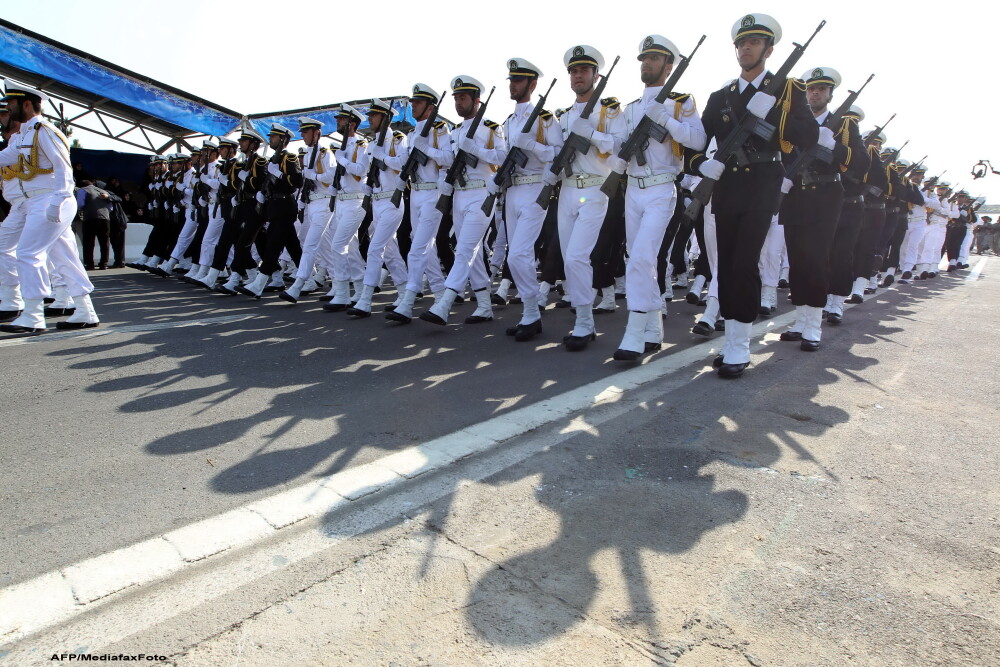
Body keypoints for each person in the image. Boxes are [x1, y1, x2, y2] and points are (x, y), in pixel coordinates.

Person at [687, 14, 818, 377]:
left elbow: (808, 139)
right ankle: (730, 339)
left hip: (762, 185)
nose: (746, 48)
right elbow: (695, 144)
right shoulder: (720, 96)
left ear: (768, 49)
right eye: (742, 43)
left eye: (755, 42)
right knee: (725, 265)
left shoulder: (788, 91)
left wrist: (776, 118)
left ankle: (740, 347)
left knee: (744, 262)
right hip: (727, 187)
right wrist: (702, 165)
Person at [614, 35, 706, 360]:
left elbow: (698, 140)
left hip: (661, 188)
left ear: (669, 66)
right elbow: (620, 145)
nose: (647, 64)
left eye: (654, 59)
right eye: (644, 58)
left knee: (641, 258)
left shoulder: (681, 101)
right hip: (633, 190)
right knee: (639, 260)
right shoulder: (631, 109)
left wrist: (665, 118)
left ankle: (634, 332)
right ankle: (654, 331)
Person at [0, 81, 99, 334]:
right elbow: (6, 158)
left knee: (28, 252)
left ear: (26, 104)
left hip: (49, 199)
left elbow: (64, 168)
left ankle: (33, 315)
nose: (8, 109)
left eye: (11, 104)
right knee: (62, 256)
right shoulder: (22, 134)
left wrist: (57, 202)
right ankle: (85, 310)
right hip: (28, 203)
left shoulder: (45, 130)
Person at [777, 66, 864, 350]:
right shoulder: (794, 119)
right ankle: (799, 320)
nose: (815, 93)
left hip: (825, 195)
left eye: (821, 89)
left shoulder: (844, 125)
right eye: (811, 89)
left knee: (815, 260)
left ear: (830, 94)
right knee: (797, 261)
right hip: (795, 194)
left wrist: (833, 147)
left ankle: (813, 325)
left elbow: (861, 164)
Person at [548, 45, 627, 351]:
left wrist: (592, 134)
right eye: (573, 71)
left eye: (583, 70)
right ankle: (583, 318)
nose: (578, 75)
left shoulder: (609, 111)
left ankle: (584, 324)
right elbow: (555, 154)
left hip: (596, 189)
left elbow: (621, 149)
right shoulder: (564, 116)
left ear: (595, 75)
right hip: (567, 190)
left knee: (579, 255)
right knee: (570, 259)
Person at [418, 75, 507, 326]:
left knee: (466, 248)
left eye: (463, 98)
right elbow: (447, 159)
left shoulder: (491, 127)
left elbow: (502, 156)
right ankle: (485, 307)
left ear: (476, 100)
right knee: (471, 252)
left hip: (481, 193)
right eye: (456, 98)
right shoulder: (455, 132)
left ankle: (444, 303)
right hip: (459, 194)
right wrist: (426, 150)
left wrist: (476, 149)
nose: (458, 102)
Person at [494, 57, 563, 341]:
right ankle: (530, 313)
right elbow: (504, 156)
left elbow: (558, 154)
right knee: (515, 254)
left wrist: (531, 144)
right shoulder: (509, 122)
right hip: (512, 191)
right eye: (511, 80)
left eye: (518, 80)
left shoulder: (545, 119)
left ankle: (532, 310)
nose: (513, 85)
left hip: (535, 189)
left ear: (532, 84)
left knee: (519, 254)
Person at [386, 84, 452, 324]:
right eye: (413, 101)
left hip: (433, 193)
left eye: (418, 102)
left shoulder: (439, 129)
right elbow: (404, 164)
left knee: (418, 248)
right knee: (424, 245)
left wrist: (427, 149)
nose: (413, 105)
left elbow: (448, 159)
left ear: (430, 106)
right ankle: (441, 292)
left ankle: (408, 301)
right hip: (415, 193)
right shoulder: (413, 133)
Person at [347, 99, 409, 317]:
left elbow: (403, 164)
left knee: (375, 249)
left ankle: (365, 299)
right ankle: (403, 292)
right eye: (371, 115)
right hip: (377, 202)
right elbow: (362, 169)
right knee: (390, 252)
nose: (370, 119)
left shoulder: (398, 140)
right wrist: (365, 183)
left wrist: (383, 156)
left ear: (386, 118)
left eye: (374, 115)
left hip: (393, 201)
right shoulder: (372, 144)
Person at [77, 179, 113, 270]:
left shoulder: (83, 190)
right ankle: (103, 264)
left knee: (88, 242)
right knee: (104, 242)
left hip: (90, 218)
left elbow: (80, 204)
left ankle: (90, 264)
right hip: (105, 218)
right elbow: (110, 207)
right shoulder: (103, 191)